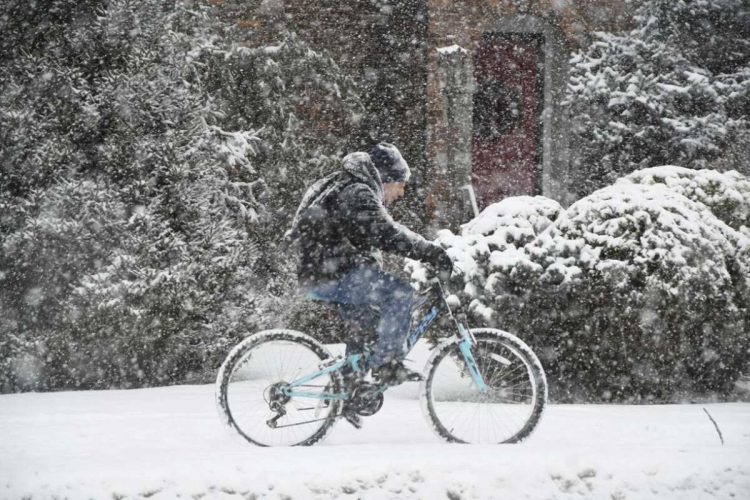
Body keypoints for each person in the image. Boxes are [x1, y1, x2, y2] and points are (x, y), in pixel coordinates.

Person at [287, 143, 453, 387]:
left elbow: (368, 236)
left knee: (365, 329)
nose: (401, 192)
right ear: (385, 178)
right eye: (400, 184)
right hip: (332, 274)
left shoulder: (350, 187)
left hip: (324, 272)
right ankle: (388, 365)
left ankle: (348, 391)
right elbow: (387, 233)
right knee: (401, 295)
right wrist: (430, 253)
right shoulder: (359, 192)